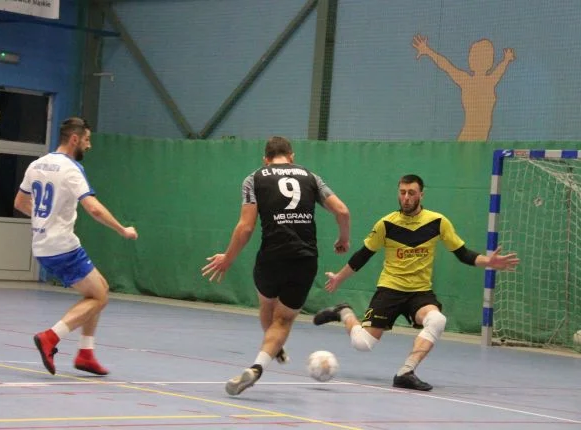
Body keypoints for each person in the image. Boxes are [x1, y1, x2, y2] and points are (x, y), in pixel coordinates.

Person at [313, 174, 519, 391]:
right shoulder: (386, 224)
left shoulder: (438, 222)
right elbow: (362, 256)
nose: (406, 197)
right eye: (402, 192)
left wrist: (489, 261)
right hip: (390, 289)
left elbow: (463, 254)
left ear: (421, 194)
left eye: (411, 193)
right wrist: (338, 277)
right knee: (362, 344)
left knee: (437, 320)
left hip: (419, 292)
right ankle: (344, 312)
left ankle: (406, 371)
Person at [202, 136, 351, 396]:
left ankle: (272, 348)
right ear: (291, 156)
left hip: (272, 255)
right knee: (282, 321)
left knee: (267, 307)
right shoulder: (310, 177)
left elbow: (246, 226)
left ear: (265, 159)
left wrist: (228, 257)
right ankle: (259, 365)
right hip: (305, 258)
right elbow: (343, 211)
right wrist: (343, 238)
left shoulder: (254, 178)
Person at [14, 117, 138, 376]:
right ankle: (50, 337)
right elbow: (92, 207)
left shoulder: (36, 165)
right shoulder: (71, 169)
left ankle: (86, 353)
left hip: (43, 244)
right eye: (87, 140)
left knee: (99, 288)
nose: (89, 145)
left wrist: (45, 221)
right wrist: (122, 229)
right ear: (74, 139)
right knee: (100, 297)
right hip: (62, 246)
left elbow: (20, 203)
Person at [412, 34, 515, 142]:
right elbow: (446, 66)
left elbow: (500, 69)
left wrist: (506, 60)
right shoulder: (467, 81)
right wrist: (427, 51)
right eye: (474, 56)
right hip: (467, 140)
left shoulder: (489, 81)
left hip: (480, 143)